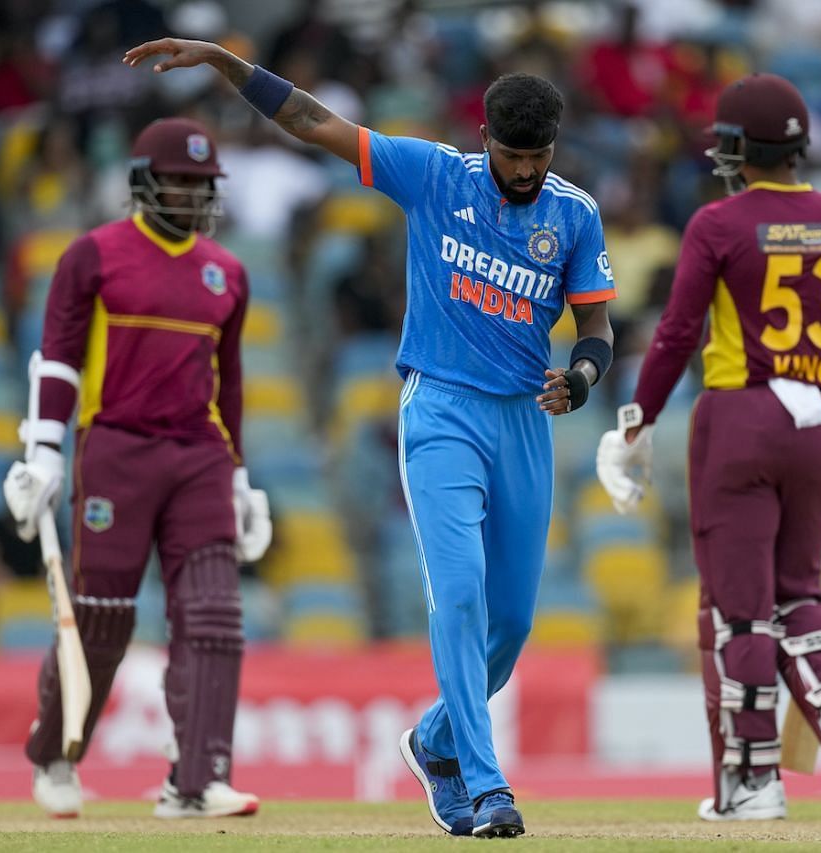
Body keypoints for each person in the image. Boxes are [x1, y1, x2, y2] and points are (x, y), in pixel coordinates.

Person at [123, 38, 617, 838]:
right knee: (457, 594)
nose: (525, 172)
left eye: (538, 157)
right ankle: (488, 786)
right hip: (443, 411)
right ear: (484, 137)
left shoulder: (574, 213)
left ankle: (432, 741)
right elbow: (314, 120)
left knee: (513, 623)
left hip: (525, 419)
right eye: (512, 155)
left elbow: (595, 325)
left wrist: (584, 378)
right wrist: (222, 61)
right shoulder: (432, 174)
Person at [595, 74, 821, 821]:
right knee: (798, 592)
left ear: (740, 147)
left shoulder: (717, 224)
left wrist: (635, 423)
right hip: (818, 423)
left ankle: (750, 781)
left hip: (741, 418)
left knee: (740, 611)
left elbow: (676, 333)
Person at [2, 116, 273, 819]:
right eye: (178, 180)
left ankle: (198, 779)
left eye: (201, 183)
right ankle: (57, 755)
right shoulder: (93, 256)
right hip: (115, 449)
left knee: (214, 614)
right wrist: (44, 450)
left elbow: (231, 384)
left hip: (199, 455)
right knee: (100, 617)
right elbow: (58, 356)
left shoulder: (229, 273)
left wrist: (241, 477)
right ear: (145, 182)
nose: (189, 194)